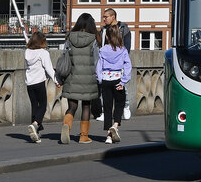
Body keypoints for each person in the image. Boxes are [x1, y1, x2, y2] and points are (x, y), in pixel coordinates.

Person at [57, 12, 99, 144]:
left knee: (72, 106)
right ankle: (83, 136)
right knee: (86, 106)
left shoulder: (70, 38)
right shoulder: (93, 39)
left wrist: (60, 77)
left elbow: (64, 56)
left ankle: (66, 125)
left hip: (72, 77)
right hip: (88, 79)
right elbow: (97, 60)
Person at [96, 23, 133, 143]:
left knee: (107, 107)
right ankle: (115, 125)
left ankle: (108, 136)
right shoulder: (122, 50)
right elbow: (128, 66)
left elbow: (99, 66)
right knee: (120, 103)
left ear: (107, 37)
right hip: (118, 80)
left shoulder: (102, 50)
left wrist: (100, 79)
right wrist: (124, 81)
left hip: (106, 80)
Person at [101, 8, 133, 121]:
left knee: (122, 85)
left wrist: (122, 59)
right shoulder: (103, 30)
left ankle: (126, 106)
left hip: (120, 61)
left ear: (113, 17)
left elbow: (127, 46)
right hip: (106, 62)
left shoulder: (123, 28)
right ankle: (105, 112)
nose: (104, 19)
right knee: (105, 89)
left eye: (106, 17)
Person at [24, 31, 54, 143]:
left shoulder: (27, 52)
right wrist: (56, 80)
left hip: (29, 83)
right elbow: (49, 68)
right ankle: (35, 124)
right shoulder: (43, 53)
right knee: (42, 105)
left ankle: (36, 132)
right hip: (39, 82)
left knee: (34, 106)